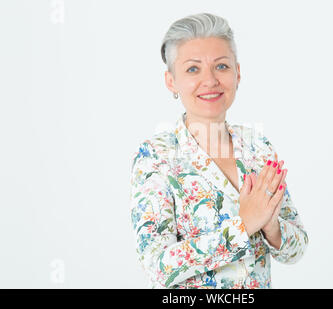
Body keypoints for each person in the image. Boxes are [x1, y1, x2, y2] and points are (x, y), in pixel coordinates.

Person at [130, 12, 308, 289]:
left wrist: (272, 227)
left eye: (221, 66)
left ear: (238, 73)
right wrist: (244, 225)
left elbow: (296, 250)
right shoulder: (156, 156)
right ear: (171, 81)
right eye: (193, 69)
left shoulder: (257, 147)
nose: (210, 80)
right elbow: (158, 266)